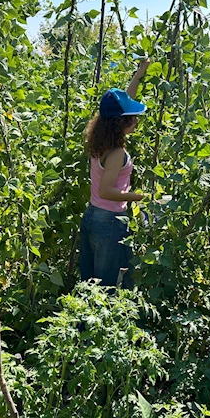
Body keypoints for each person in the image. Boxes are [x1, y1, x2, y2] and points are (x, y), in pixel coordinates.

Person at [79, 60, 150, 288]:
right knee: (109, 286)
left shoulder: (99, 137)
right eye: (132, 117)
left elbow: (121, 103)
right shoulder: (117, 152)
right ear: (121, 122)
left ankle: (81, 324)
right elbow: (107, 191)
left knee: (90, 283)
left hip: (92, 216)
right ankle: (97, 325)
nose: (136, 121)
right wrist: (140, 198)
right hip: (109, 222)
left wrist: (139, 75)